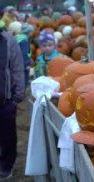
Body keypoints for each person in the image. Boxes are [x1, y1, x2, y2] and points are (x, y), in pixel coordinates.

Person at [0, 27, 25, 180]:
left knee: (7, 136)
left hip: (5, 99)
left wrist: (18, 94)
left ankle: (6, 166)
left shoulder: (8, 40)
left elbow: (17, 68)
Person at [7, 21, 34, 88]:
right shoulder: (24, 40)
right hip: (24, 66)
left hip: (15, 65)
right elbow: (25, 54)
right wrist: (27, 64)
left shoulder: (13, 40)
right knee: (23, 82)